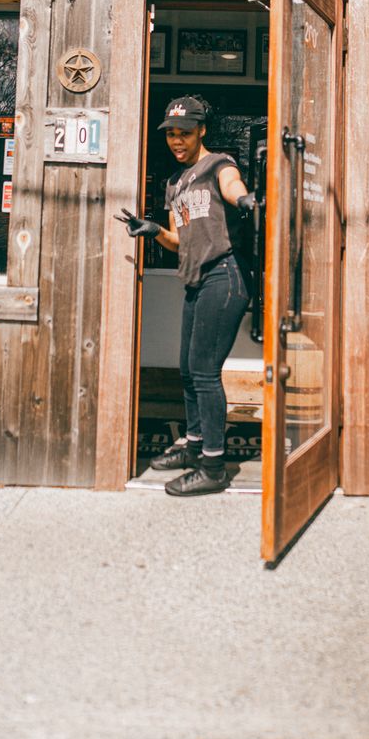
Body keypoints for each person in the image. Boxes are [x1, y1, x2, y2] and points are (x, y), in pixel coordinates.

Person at [116, 95, 255, 496]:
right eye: (172, 135)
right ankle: (194, 447)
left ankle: (213, 466)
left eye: (185, 133)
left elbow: (232, 186)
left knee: (206, 373)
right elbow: (182, 240)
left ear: (201, 132)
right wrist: (154, 230)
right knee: (188, 371)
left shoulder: (218, 164)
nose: (177, 141)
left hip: (224, 275)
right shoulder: (174, 184)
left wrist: (244, 199)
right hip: (196, 279)